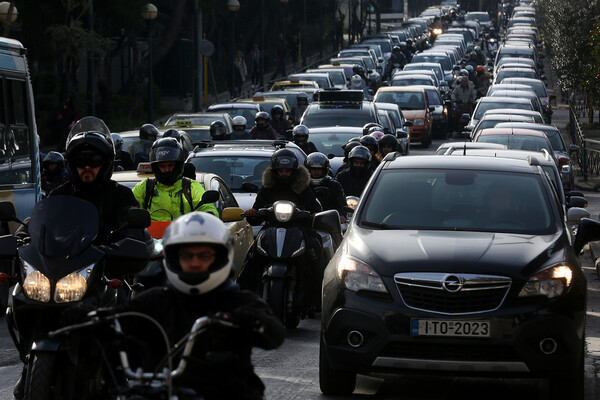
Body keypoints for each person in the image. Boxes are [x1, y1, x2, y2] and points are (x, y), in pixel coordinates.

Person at [13, 117, 149, 399]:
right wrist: (22, 237)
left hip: (102, 273)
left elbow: (136, 230)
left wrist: (127, 243)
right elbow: (36, 221)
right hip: (60, 272)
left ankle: (120, 371)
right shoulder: (58, 193)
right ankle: (29, 365)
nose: (87, 167)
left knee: (126, 304)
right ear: (71, 164)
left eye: (94, 160)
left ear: (106, 162)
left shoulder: (121, 196)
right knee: (20, 296)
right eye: (81, 160)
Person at [101, 212, 286, 400]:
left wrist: (251, 321)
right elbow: (117, 319)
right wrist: (85, 316)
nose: (195, 263)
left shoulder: (237, 300)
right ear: (174, 258)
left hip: (225, 392)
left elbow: (275, 334)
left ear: (220, 257)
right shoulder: (157, 299)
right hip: (161, 389)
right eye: (187, 255)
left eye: (204, 256)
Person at [241, 148, 322, 311]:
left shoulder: (304, 187)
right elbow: (257, 209)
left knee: (315, 249)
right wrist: (253, 213)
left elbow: (315, 209)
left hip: (299, 229)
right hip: (271, 228)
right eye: (281, 171)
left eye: (288, 171)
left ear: (295, 171)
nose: (284, 174)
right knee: (252, 254)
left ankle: (320, 295)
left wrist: (312, 216)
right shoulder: (267, 188)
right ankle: (242, 294)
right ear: (274, 171)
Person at [132, 138, 219, 222]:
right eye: (162, 166)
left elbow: (206, 206)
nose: (166, 170)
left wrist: (209, 214)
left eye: (170, 165)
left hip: (184, 235)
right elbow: (130, 206)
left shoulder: (191, 187)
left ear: (178, 165)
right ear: (155, 167)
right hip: (150, 237)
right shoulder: (145, 187)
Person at [305, 152, 347, 223]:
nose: (316, 172)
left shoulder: (334, 185)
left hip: (329, 224)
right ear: (308, 169)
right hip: (306, 223)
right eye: (313, 169)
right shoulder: (302, 185)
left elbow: (342, 206)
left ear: (325, 170)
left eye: (319, 169)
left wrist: (341, 216)